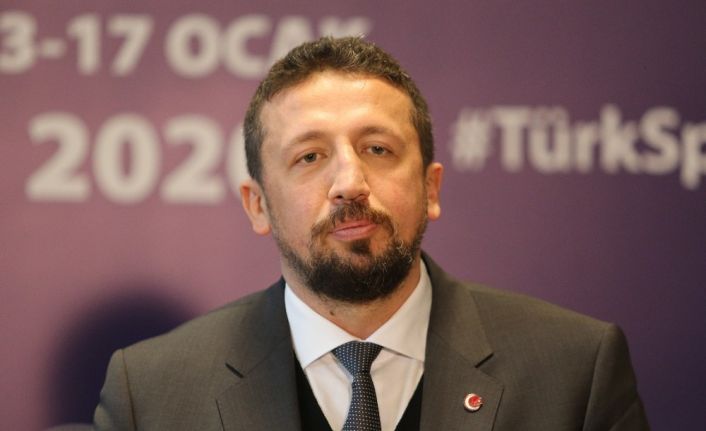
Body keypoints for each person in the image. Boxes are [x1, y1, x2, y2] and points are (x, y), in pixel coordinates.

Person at [93, 36, 649, 431]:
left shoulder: (575, 371)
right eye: (310, 156)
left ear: (430, 187)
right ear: (257, 205)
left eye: (377, 149)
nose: (350, 184)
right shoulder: (152, 394)